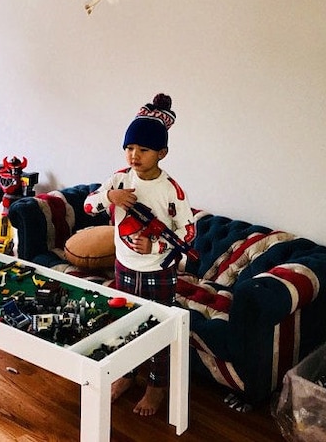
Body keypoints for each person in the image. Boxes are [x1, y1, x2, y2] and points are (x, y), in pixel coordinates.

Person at [84, 93, 196, 416]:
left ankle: (156, 386)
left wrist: (156, 247)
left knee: (156, 329)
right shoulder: (119, 179)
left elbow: (188, 234)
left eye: (143, 150)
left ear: (161, 153)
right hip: (124, 268)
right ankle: (128, 374)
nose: (134, 155)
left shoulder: (171, 191)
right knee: (125, 325)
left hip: (158, 273)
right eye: (129, 148)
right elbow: (89, 205)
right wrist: (110, 196)